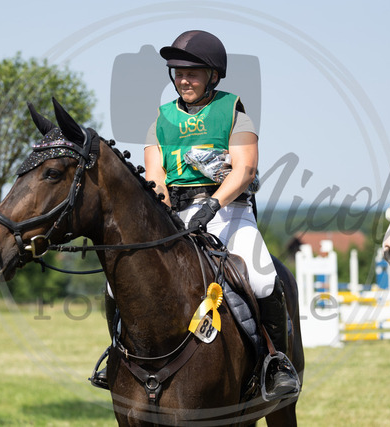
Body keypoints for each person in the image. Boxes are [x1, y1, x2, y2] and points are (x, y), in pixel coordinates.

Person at [93, 30, 298, 399]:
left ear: (212, 76)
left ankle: (276, 362)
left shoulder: (233, 113)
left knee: (264, 278)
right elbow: (156, 177)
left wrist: (212, 204)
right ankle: (117, 357)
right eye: (178, 73)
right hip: (176, 215)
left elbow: (245, 170)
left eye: (192, 73)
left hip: (229, 212)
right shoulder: (161, 121)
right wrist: (163, 213)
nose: (184, 80)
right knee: (115, 284)